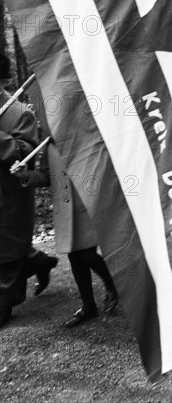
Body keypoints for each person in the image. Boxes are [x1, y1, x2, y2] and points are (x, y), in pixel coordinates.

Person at [11, 140, 118, 327]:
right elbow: (46, 176)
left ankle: (112, 285)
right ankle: (88, 306)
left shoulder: (84, 133)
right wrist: (25, 174)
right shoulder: (50, 145)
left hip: (87, 203)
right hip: (65, 208)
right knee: (74, 255)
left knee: (86, 253)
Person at [0, 52, 38, 328]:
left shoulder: (19, 112)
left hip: (8, 197)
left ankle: (4, 306)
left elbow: (25, 154)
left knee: (7, 252)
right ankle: (38, 262)